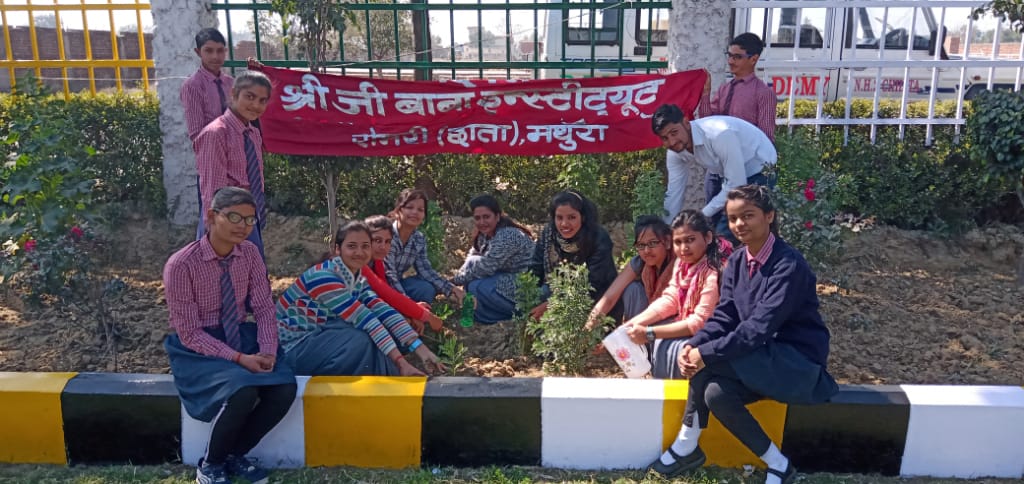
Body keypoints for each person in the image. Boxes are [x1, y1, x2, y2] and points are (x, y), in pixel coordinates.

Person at [649, 185, 838, 484]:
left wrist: (704, 353)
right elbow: (725, 315)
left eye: (748, 215)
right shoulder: (736, 262)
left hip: (795, 364)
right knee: (715, 393)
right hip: (758, 358)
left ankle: (686, 446)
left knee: (707, 364)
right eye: (733, 218)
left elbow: (758, 328)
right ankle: (778, 464)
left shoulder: (788, 265)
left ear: (769, 216)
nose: (739, 224)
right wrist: (694, 344)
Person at [163, 187, 296, 484]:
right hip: (199, 348)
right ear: (211, 216)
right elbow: (189, 333)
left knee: (283, 387)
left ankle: (235, 455)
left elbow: (263, 308)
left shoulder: (249, 253)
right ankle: (210, 464)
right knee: (242, 389)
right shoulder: (181, 264)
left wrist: (267, 350)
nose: (243, 226)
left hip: (240, 336)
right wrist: (238, 358)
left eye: (250, 220)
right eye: (234, 217)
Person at [277, 220, 445, 377]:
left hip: (319, 336)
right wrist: (400, 362)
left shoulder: (356, 279)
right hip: (289, 348)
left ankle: (391, 379)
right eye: (352, 246)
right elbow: (365, 319)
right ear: (338, 249)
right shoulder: (323, 277)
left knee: (378, 333)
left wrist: (421, 349)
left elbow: (383, 310)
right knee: (358, 339)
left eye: (365, 246)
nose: (359, 252)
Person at [616, 210, 723, 379]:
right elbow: (671, 299)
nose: (684, 248)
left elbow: (700, 322)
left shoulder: (714, 270)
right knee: (660, 340)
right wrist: (631, 325)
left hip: (715, 336)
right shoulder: (683, 263)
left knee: (672, 347)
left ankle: (682, 395)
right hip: (691, 325)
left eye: (690, 240)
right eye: (678, 242)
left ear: (708, 238)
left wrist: (650, 333)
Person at [653, 104, 777, 244]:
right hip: (720, 171)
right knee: (707, 228)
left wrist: (701, 214)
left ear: (686, 123)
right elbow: (674, 192)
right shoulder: (674, 152)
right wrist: (667, 230)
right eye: (665, 138)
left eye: (674, 133)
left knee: (727, 232)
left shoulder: (720, 134)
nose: (672, 142)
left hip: (758, 168)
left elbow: (736, 183)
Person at [194, 70, 272, 258]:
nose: (256, 105)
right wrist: (214, 234)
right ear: (234, 94)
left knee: (252, 270)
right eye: (249, 97)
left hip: (249, 218)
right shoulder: (216, 134)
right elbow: (213, 189)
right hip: (225, 222)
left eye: (262, 101)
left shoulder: (253, 134)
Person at [528, 190, 616, 321]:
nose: (564, 224)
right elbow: (536, 268)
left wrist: (551, 305)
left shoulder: (598, 238)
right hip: (558, 290)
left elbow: (594, 284)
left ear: (583, 217)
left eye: (571, 217)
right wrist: (529, 297)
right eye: (559, 218)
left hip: (597, 297)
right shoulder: (549, 234)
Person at [451, 194, 535, 324]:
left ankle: (509, 315)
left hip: (525, 284)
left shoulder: (507, 235)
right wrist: (455, 279)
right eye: (477, 218)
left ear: (497, 216)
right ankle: (470, 317)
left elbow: (486, 268)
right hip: (505, 277)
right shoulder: (484, 235)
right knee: (471, 274)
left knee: (476, 286)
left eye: (486, 217)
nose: (482, 222)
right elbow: (470, 260)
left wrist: (452, 282)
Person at [586, 216, 675, 327]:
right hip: (647, 319)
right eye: (641, 245)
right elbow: (609, 298)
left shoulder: (679, 264)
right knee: (632, 289)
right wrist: (588, 328)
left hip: (675, 322)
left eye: (652, 243)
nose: (647, 251)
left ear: (667, 242)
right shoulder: (640, 262)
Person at [365, 215, 445, 334]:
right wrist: (425, 315)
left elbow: (386, 294)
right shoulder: (360, 263)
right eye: (377, 240)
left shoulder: (377, 262)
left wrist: (409, 313)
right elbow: (387, 294)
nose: (383, 246)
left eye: (388, 242)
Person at [385, 189, 466, 304]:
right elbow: (389, 276)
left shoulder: (418, 239)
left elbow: (425, 271)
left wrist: (452, 289)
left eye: (420, 210)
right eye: (409, 207)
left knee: (425, 289)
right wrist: (410, 305)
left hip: (397, 283)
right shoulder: (386, 236)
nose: (415, 212)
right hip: (377, 285)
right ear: (398, 210)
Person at [697, 33, 778, 143]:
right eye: (729, 55)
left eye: (737, 57)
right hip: (720, 150)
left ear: (753, 59)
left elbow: (766, 138)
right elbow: (707, 121)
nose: (730, 61)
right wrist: (706, 92)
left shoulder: (763, 93)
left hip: (747, 151)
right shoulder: (724, 89)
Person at [181, 28, 233, 144]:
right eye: (209, 51)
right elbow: (197, 134)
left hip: (238, 149)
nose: (215, 56)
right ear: (198, 52)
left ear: (225, 51)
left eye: (220, 51)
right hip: (211, 149)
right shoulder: (192, 86)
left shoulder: (231, 83)